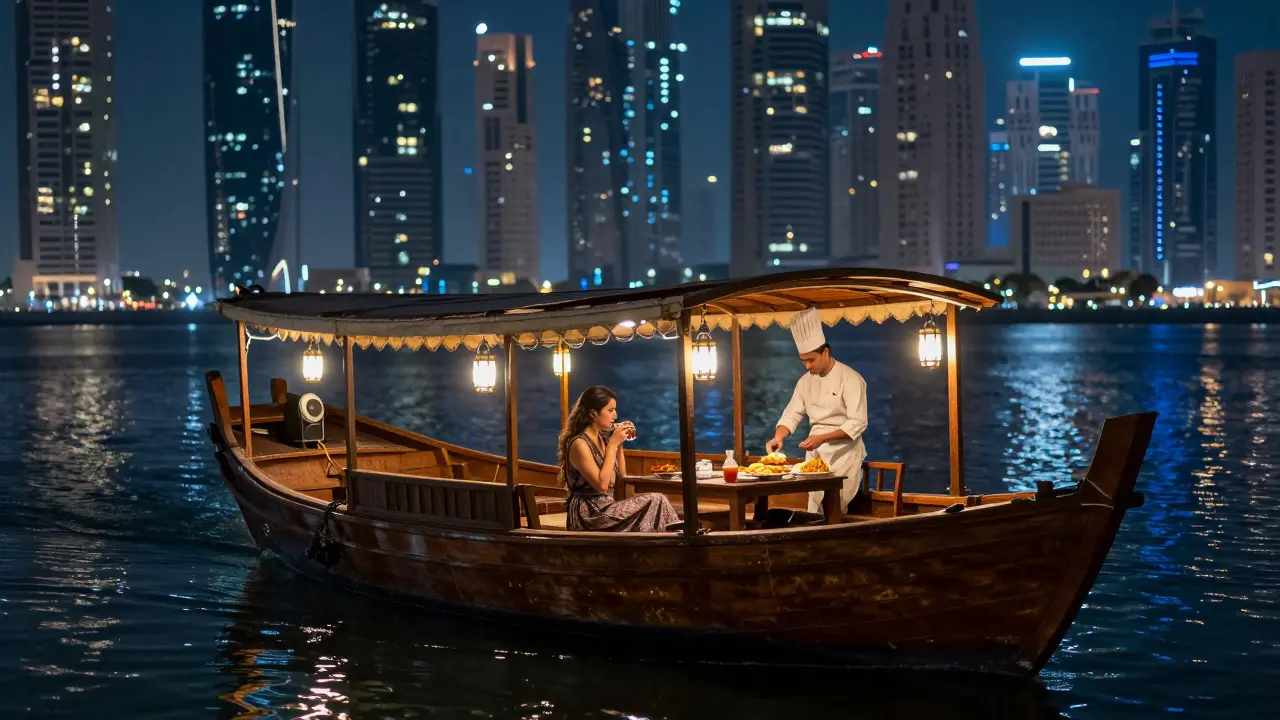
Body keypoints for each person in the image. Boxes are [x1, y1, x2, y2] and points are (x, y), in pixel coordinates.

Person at [764, 307, 868, 514]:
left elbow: (858, 422)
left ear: (826, 353)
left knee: (835, 507)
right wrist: (778, 437)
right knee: (814, 511)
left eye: (811, 360)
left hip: (844, 454)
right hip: (815, 456)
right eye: (804, 361)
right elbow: (792, 413)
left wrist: (823, 437)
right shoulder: (805, 382)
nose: (807, 366)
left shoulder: (851, 379)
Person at [559, 386, 679, 532]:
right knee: (657, 500)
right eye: (610, 410)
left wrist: (619, 445)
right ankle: (678, 539)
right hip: (589, 514)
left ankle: (674, 538)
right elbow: (602, 486)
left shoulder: (602, 438)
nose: (615, 415)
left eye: (615, 410)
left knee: (659, 501)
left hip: (608, 507)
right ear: (593, 413)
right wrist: (612, 445)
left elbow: (621, 477)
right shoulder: (579, 443)